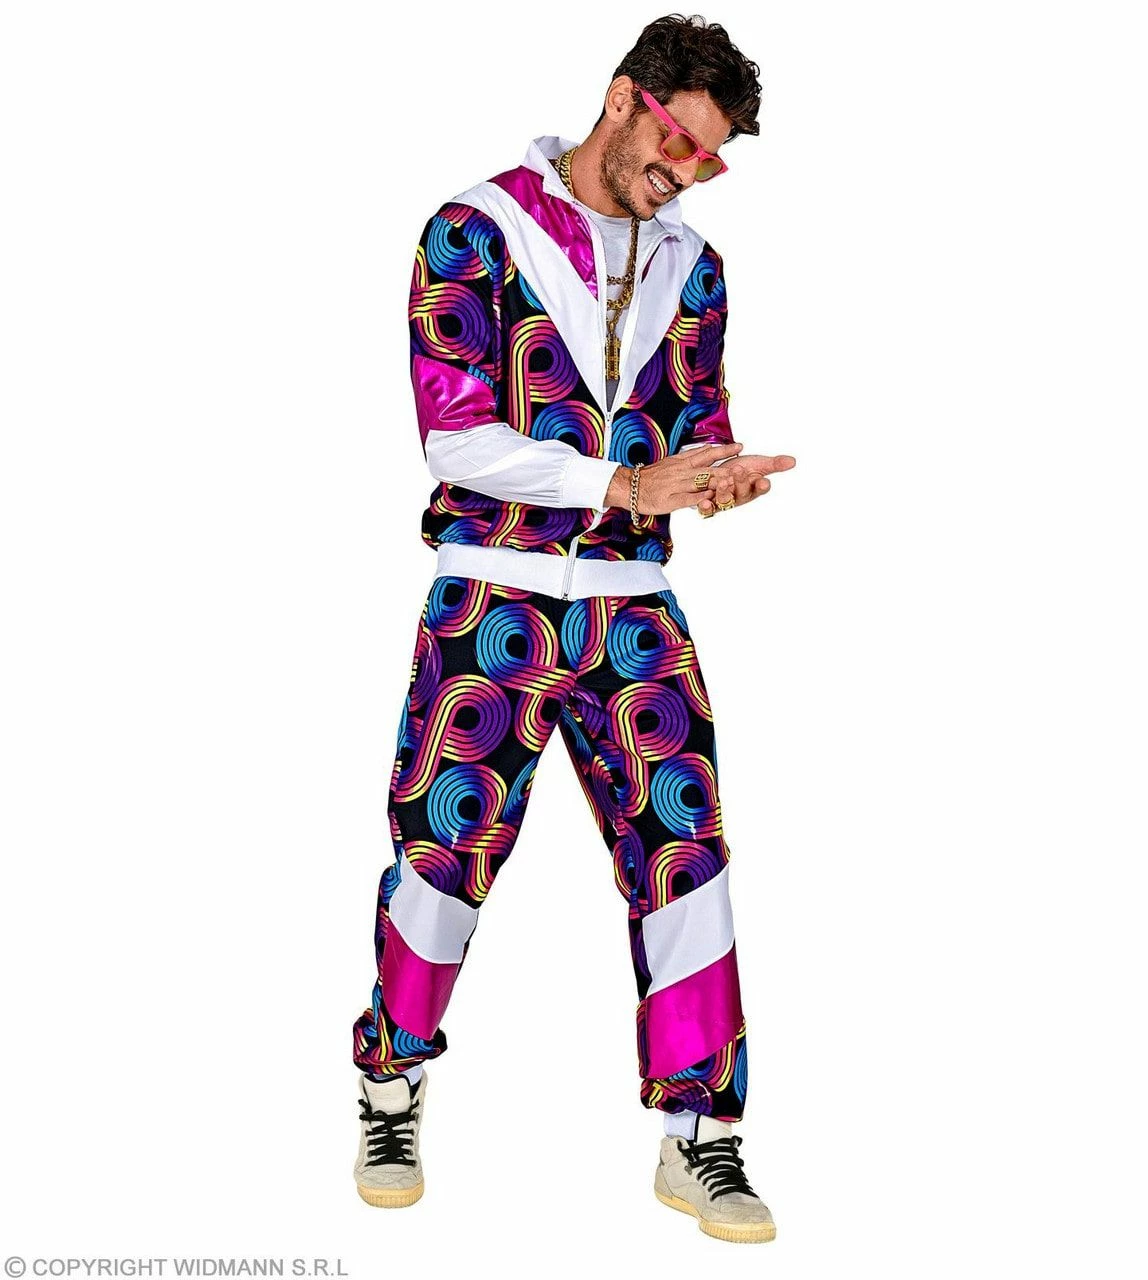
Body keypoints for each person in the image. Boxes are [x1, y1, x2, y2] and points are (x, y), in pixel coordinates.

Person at [350, 14, 796, 1244]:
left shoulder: (693, 266)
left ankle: (700, 1133)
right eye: (679, 145)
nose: (688, 175)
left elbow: (689, 422)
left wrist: (710, 476)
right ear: (621, 100)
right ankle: (389, 1084)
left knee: (685, 857)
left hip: (631, 606)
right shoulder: (473, 228)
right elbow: (454, 436)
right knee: (442, 854)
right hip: (489, 593)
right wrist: (620, 482)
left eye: (709, 160)